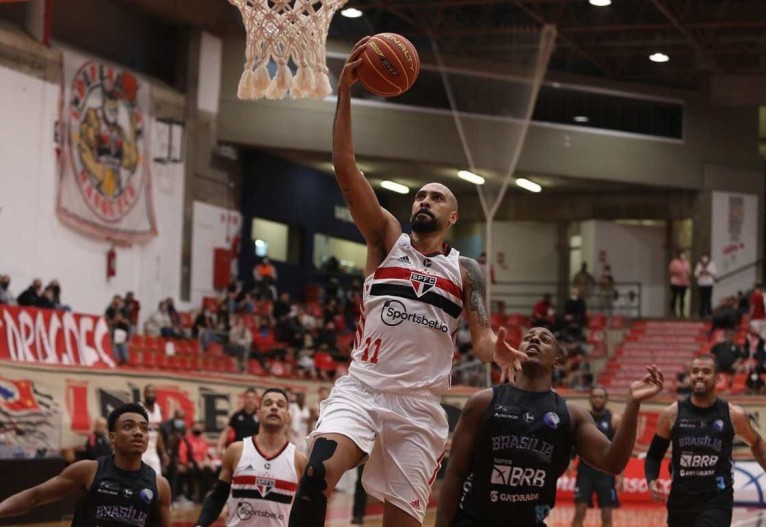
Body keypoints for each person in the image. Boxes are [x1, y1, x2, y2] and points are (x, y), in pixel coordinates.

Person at [288, 36, 526, 527]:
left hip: (418, 407)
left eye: (436, 198)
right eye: (419, 196)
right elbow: (345, 169)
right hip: (362, 389)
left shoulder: (466, 270)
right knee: (314, 477)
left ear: (453, 215)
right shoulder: (385, 239)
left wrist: (496, 351)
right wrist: (347, 92)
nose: (424, 202)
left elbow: (481, 340)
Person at [435, 327, 664, 527]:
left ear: (556, 360)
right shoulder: (483, 402)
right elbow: (455, 474)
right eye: (528, 337)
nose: (534, 340)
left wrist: (633, 404)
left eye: (544, 339)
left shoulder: (571, 415)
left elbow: (612, 462)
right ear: (518, 351)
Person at [0, 403, 171, 526]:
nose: (138, 433)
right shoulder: (88, 471)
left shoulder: (160, 485)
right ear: (112, 437)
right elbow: (35, 496)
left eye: (144, 428)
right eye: (128, 426)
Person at [645, 354, 766, 527]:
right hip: (681, 500)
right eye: (695, 371)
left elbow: (756, 442)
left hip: (717, 499)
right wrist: (651, 480)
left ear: (717, 378)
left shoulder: (733, 415)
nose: (699, 375)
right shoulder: (671, 414)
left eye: (706, 371)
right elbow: (654, 456)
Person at [195, 388, 306, 527]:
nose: (274, 407)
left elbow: (306, 509)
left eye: (280, 405)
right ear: (258, 414)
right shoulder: (236, 451)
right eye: (268, 403)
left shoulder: (299, 460)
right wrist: (200, 524)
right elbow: (218, 496)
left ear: (288, 416)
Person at [571, 387, 623, 527]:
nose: (597, 399)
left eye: (600, 397)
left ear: (606, 399)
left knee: (607, 512)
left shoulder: (614, 420)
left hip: (606, 472)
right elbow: (575, 442)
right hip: (585, 471)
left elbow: (620, 449)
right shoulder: (582, 418)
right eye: (595, 396)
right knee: (579, 510)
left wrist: (621, 476)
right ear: (590, 398)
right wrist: (570, 462)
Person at [217, 388, 260, 455]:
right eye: (248, 397)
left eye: (252, 398)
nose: (250, 400)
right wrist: (219, 447)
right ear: (244, 399)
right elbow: (226, 431)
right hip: (239, 450)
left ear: (256, 400)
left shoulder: (259, 416)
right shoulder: (237, 416)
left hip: (255, 451)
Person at [140, 385, 169, 475]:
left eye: (153, 392)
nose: (151, 395)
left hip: (153, 451)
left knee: (157, 479)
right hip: (141, 450)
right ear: (144, 394)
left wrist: (163, 453)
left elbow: (158, 433)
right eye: (148, 392)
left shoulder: (158, 409)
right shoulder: (139, 408)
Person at [694, 254, 717, 318]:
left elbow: (714, 273)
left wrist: (708, 272)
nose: (704, 258)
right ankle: (701, 313)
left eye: (705, 257)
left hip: (709, 283)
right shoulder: (699, 264)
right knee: (702, 299)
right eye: (703, 257)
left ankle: (709, 312)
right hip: (701, 284)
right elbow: (695, 274)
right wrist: (700, 272)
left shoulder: (712, 264)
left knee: (708, 298)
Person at [669, 251, 691, 318]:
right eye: (681, 255)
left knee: (682, 298)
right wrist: (679, 272)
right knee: (674, 297)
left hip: (684, 283)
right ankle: (673, 311)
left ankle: (682, 312)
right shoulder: (674, 262)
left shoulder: (687, 262)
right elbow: (671, 270)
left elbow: (689, 271)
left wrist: (687, 278)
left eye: (684, 255)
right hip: (675, 282)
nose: (683, 256)